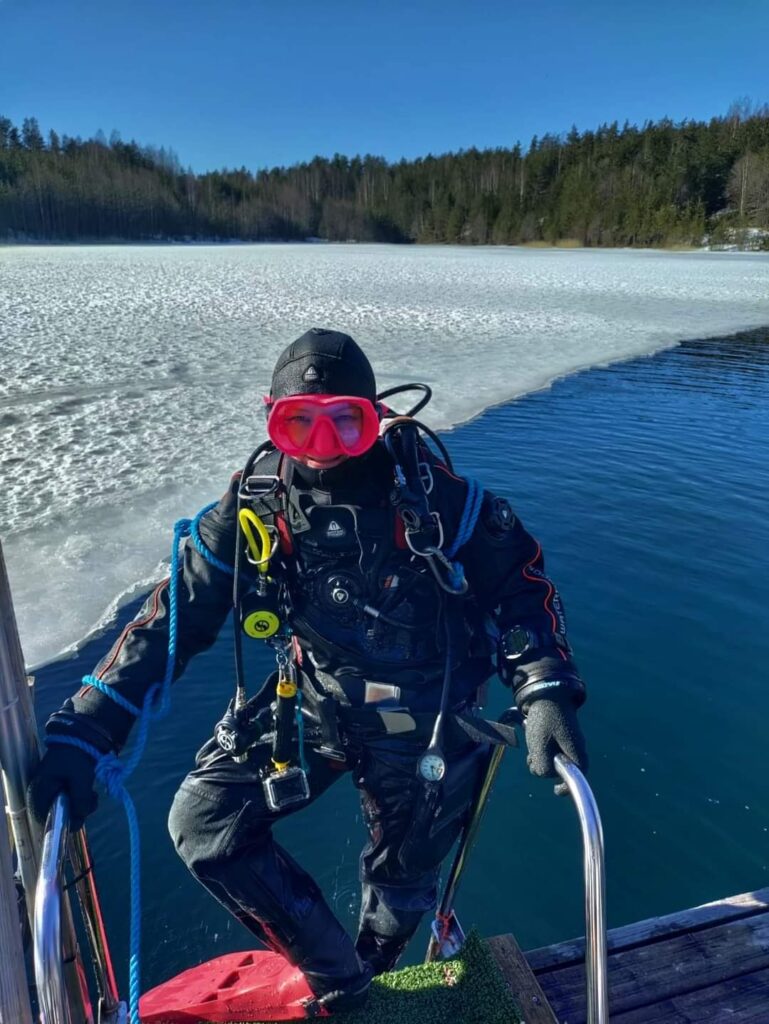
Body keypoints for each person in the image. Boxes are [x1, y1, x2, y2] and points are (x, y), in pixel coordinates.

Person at [28, 328, 588, 1013]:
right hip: (311, 702)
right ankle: (340, 979)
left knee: (402, 879)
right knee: (205, 823)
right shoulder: (255, 510)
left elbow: (519, 589)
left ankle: (375, 968)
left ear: (374, 419)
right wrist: (90, 724)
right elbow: (175, 616)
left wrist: (543, 685)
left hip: (427, 724)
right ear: (272, 419)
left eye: (344, 423)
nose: (322, 447)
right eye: (300, 424)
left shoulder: (441, 506)